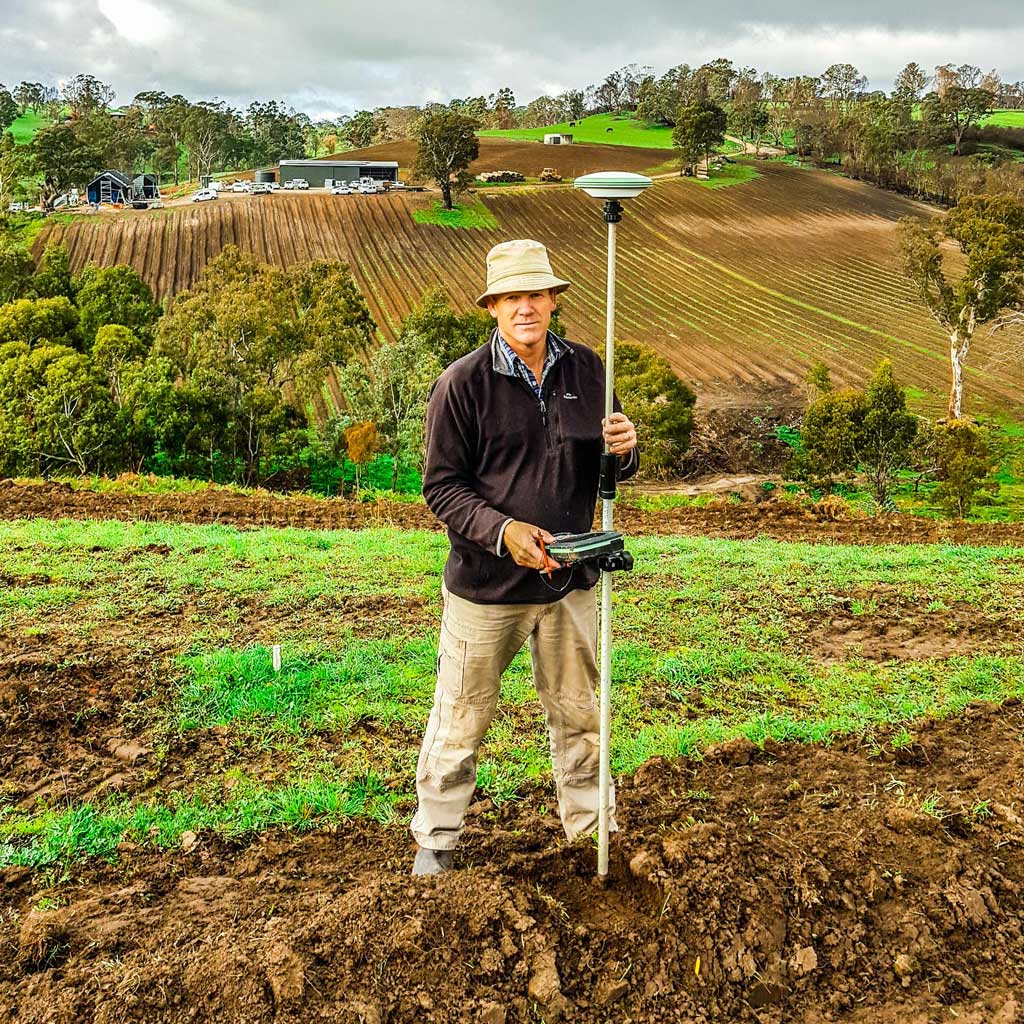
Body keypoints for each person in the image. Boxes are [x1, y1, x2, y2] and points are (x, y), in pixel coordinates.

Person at [410, 238, 639, 876]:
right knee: (460, 715)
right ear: (493, 307)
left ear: (553, 301)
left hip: (569, 578)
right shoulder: (463, 385)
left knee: (581, 715)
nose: (525, 307)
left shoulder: (591, 370)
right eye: (512, 297)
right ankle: (437, 839)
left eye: (536, 294)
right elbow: (441, 487)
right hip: (486, 587)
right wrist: (504, 531)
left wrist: (623, 449)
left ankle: (591, 833)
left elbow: (609, 464)